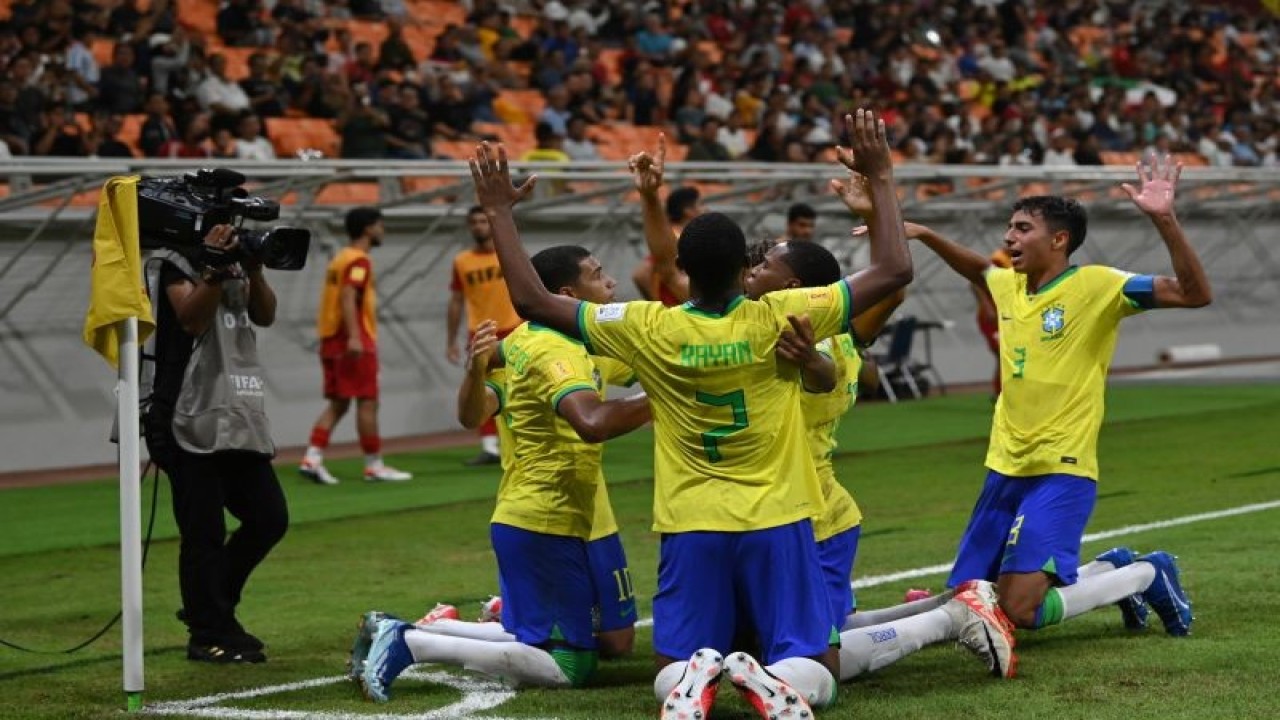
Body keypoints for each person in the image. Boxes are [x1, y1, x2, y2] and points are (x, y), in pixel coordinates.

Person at [463, 110, 912, 720]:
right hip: (778, 517)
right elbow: (893, 271)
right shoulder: (776, 315)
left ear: (685, 272)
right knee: (818, 660)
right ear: (742, 273)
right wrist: (881, 177)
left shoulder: (650, 325)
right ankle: (778, 685)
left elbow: (533, 300)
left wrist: (498, 212)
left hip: (691, 522)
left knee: (668, 658)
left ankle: (690, 682)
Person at [908, 153, 1209, 642]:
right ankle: (1110, 570)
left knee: (1019, 610)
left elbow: (1194, 293)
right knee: (972, 596)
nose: (1010, 237)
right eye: (1010, 226)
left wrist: (1165, 220)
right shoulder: (1009, 287)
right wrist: (924, 235)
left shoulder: (1097, 285)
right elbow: (978, 269)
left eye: (1023, 228)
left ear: (1059, 239)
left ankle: (1147, 574)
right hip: (1004, 467)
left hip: (1061, 469)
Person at [349, 246, 652, 701]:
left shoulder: (569, 342)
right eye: (598, 274)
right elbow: (478, 415)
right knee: (572, 663)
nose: (609, 283)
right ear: (568, 293)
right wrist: (474, 369)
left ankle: (414, 632)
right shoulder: (540, 348)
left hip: (559, 514)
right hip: (541, 515)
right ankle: (412, 642)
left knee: (591, 640)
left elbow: (644, 365)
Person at [750, 177, 1017, 683]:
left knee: (809, 658)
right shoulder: (843, 331)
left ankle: (949, 619)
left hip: (815, 521)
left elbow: (836, 351)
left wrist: (878, 212)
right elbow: (891, 289)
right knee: (792, 635)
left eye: (763, 266)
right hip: (787, 512)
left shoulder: (814, 343)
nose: (751, 273)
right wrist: (875, 217)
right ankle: (954, 605)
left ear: (792, 288)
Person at [142, 223, 288, 663]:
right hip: (185, 411)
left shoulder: (239, 265)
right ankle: (208, 632)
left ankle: (209, 608)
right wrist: (212, 271)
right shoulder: (172, 261)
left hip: (235, 411)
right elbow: (190, 318)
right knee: (203, 531)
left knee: (268, 517)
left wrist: (255, 269)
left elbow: (264, 314)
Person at [300, 207, 412, 484]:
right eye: (379, 225)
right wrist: (354, 337)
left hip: (331, 338)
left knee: (338, 404)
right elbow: (349, 296)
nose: (382, 230)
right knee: (368, 402)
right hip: (351, 339)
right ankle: (374, 465)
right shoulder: (359, 261)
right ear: (368, 228)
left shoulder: (340, 258)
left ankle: (312, 458)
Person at [447, 205, 523, 466]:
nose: (479, 226)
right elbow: (456, 300)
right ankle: (490, 446)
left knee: (519, 385)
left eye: (483, 220)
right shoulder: (461, 261)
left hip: (514, 328)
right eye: (474, 222)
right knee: (479, 386)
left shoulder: (509, 255)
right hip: (481, 332)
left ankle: (518, 439)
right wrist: (450, 340)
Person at [628, 153, 702, 305]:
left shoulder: (680, 235)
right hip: (678, 313)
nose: (705, 209)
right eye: (701, 204)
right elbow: (641, 274)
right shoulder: (676, 237)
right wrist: (660, 305)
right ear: (688, 210)